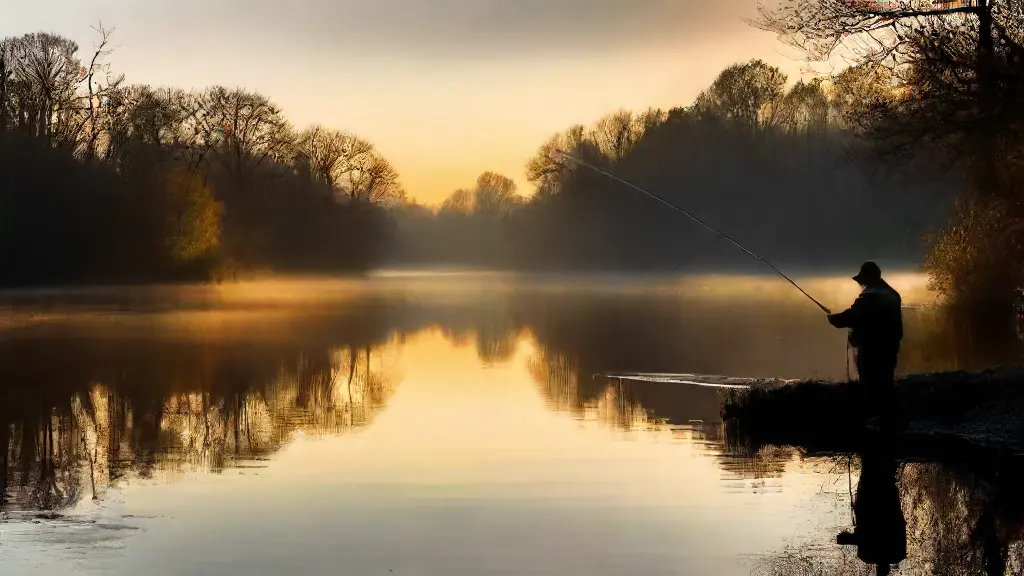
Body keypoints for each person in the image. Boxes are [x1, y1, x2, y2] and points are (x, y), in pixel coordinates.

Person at [827, 261, 903, 422]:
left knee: (870, 382)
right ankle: (889, 417)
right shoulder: (892, 294)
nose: (860, 283)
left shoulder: (870, 296)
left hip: (872, 348)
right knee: (885, 381)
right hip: (890, 347)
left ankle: (877, 419)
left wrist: (834, 319)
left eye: (862, 279)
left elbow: (854, 316)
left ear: (869, 278)